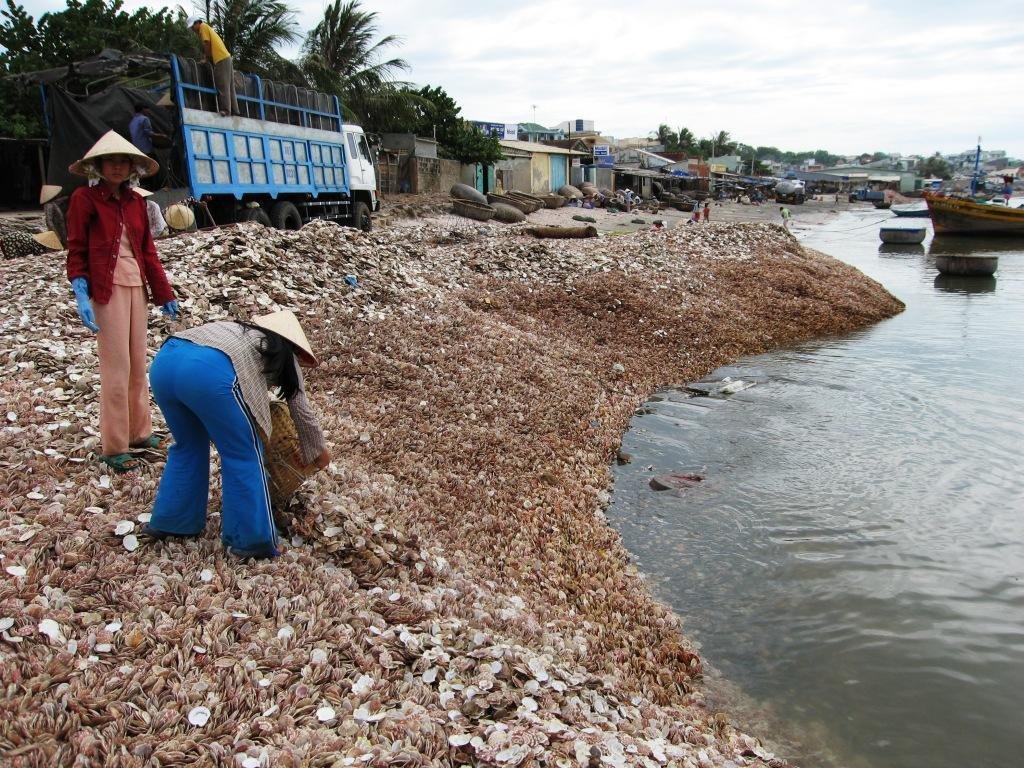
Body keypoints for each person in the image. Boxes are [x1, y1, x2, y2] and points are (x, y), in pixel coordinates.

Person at [145, 311, 330, 558]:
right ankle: (252, 542)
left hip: (164, 364)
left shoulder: (235, 330)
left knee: (187, 446)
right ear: (294, 344)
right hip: (209, 374)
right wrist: (318, 451)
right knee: (244, 454)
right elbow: (301, 410)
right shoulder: (282, 351)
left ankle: (173, 522)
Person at [65, 130, 179, 473]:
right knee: (115, 368)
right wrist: (80, 291)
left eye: (122, 162)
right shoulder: (85, 200)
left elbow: (147, 251)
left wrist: (164, 293)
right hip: (106, 288)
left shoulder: (136, 203)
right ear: (98, 166)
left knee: (136, 364)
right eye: (110, 161)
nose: (116, 167)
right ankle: (114, 444)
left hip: (136, 287)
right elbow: (76, 248)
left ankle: (140, 432)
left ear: (132, 168)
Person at [187, 15, 239, 117]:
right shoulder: (207, 27)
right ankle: (235, 110)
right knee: (229, 86)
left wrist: (205, 58)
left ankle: (226, 110)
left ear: (196, 23)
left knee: (222, 85)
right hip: (226, 57)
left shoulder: (203, 27)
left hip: (221, 59)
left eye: (192, 27)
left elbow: (207, 43)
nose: (193, 30)